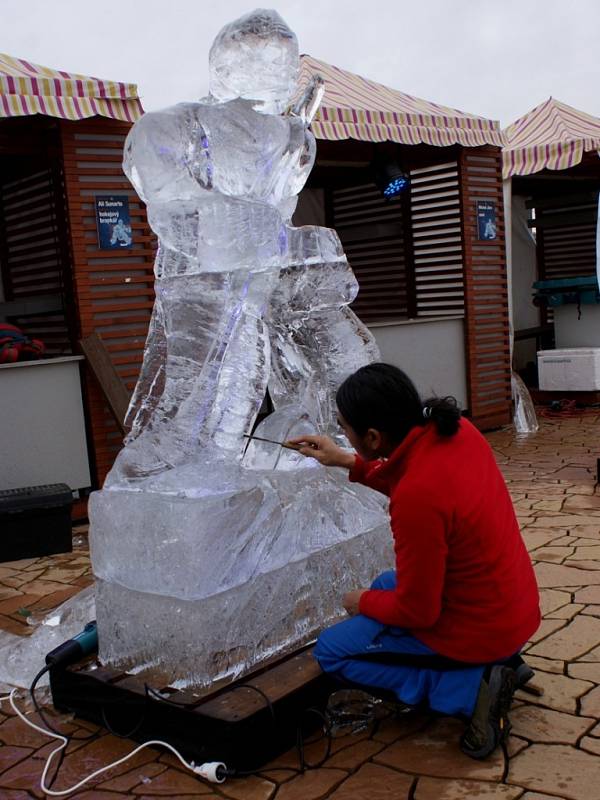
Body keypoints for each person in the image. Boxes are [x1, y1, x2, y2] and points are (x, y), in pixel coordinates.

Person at [290, 363, 540, 759]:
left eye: (346, 429)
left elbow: (418, 610)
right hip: (512, 606)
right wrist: (346, 460)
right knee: (387, 582)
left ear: (373, 436)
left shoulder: (417, 498)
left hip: (482, 626)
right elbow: (409, 475)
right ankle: (504, 661)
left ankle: (470, 689)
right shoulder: (455, 430)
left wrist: (359, 602)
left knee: (332, 650)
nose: (345, 436)